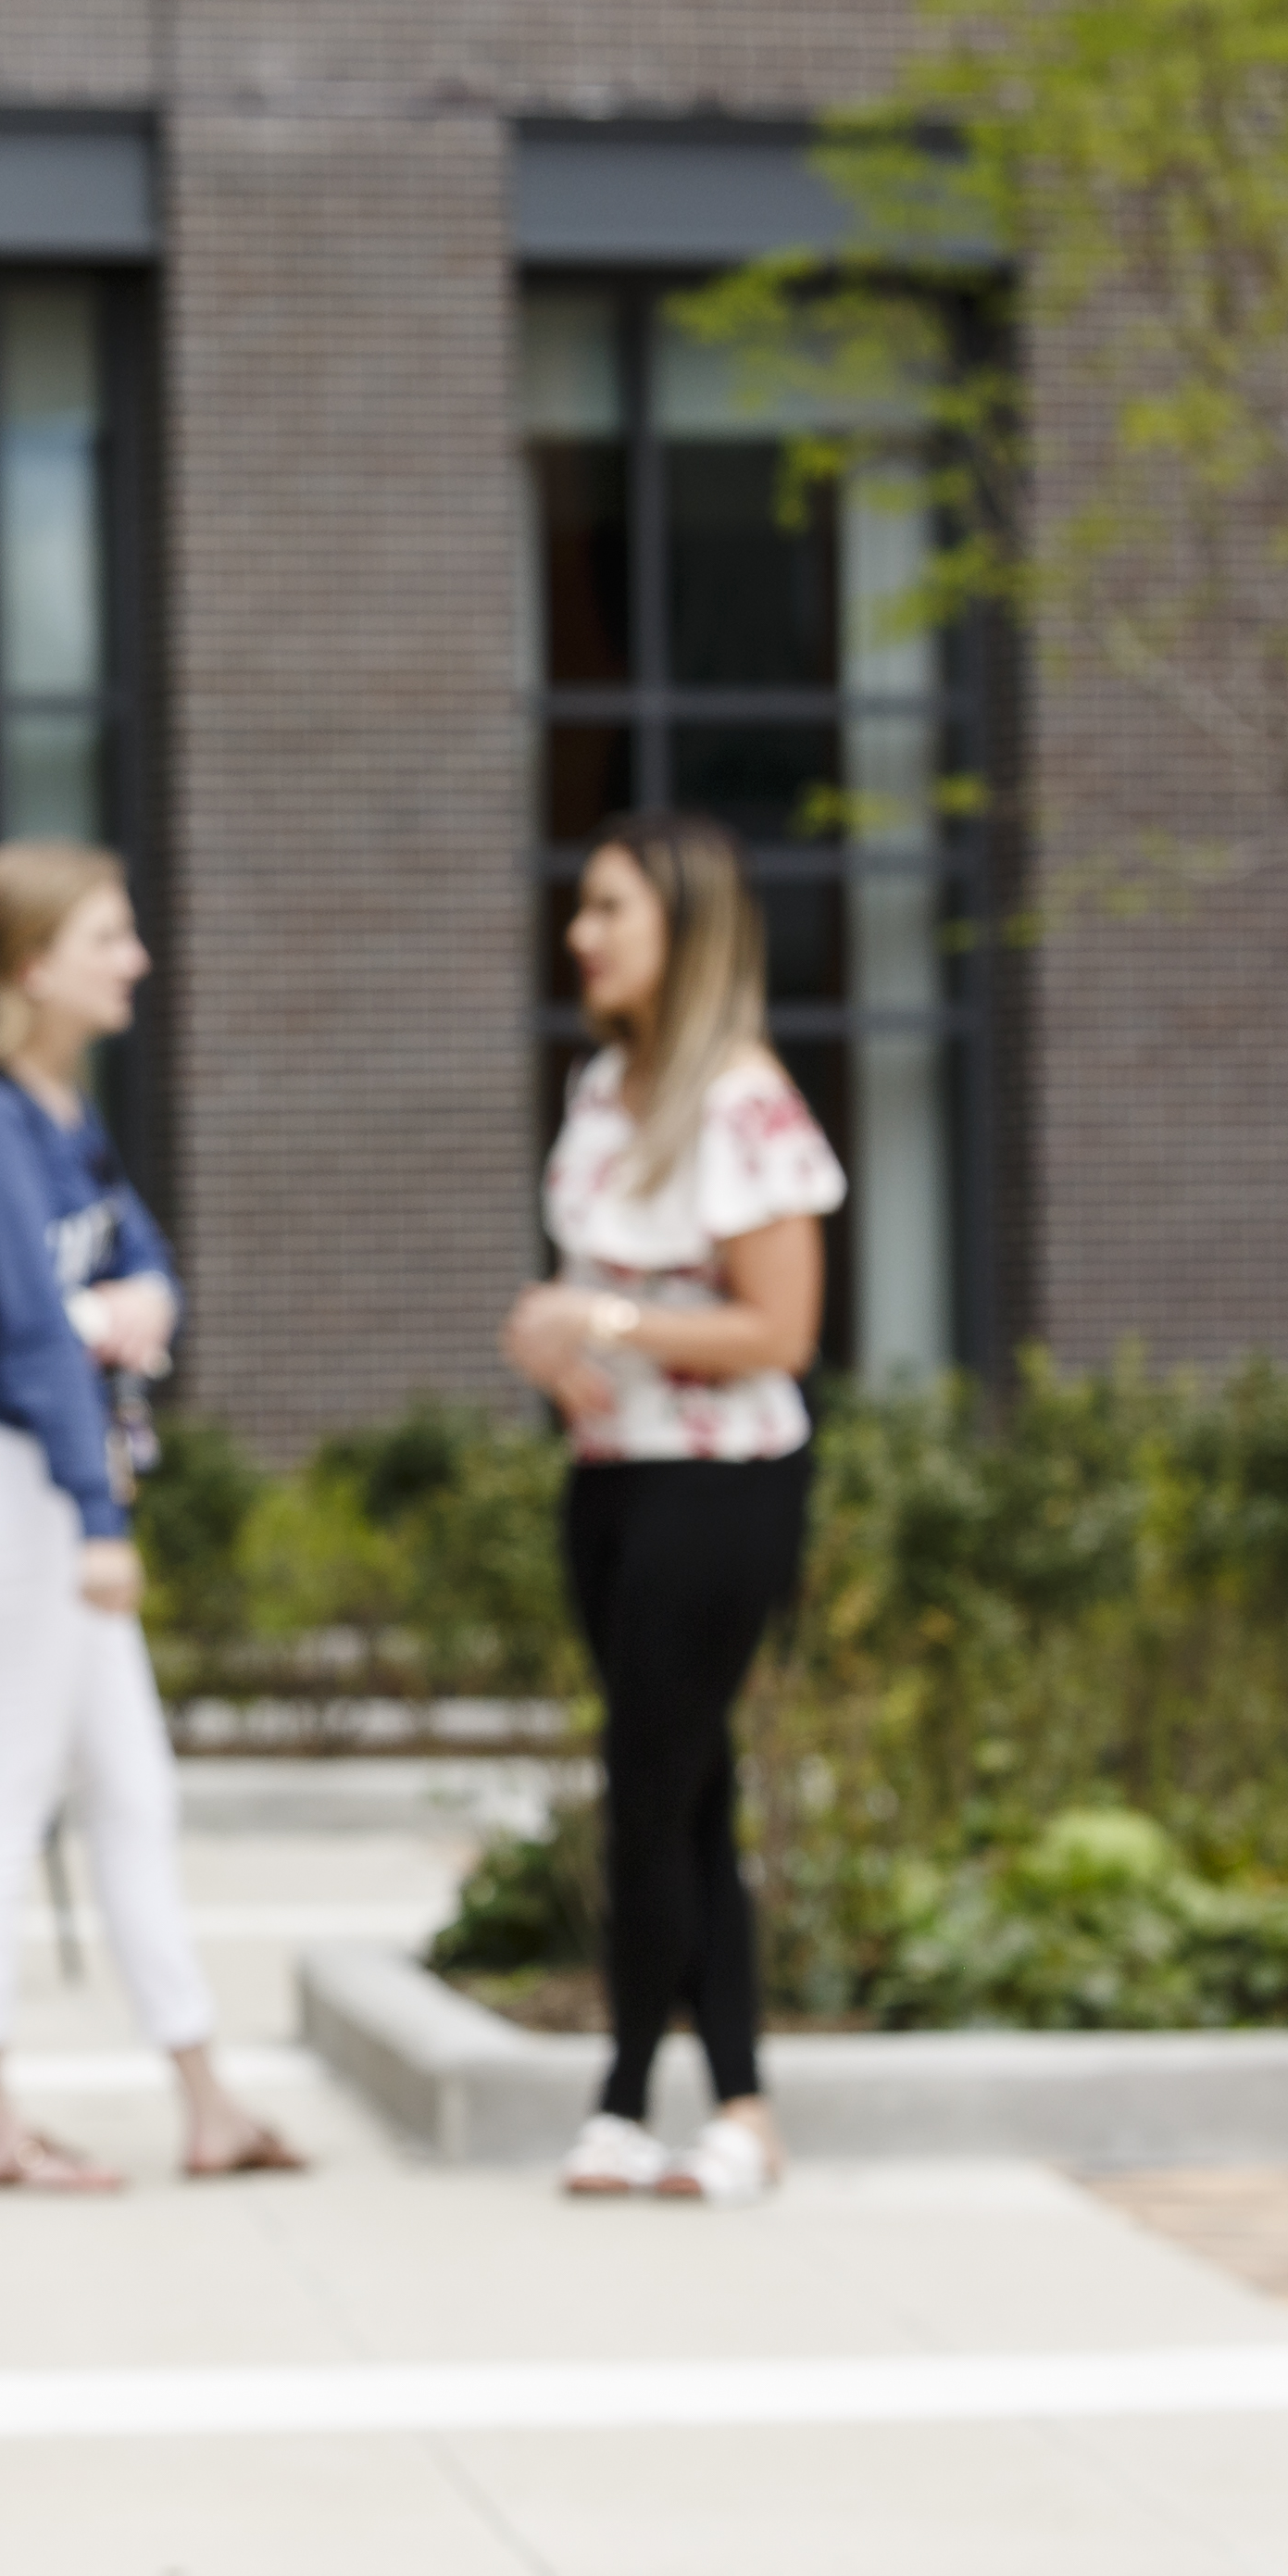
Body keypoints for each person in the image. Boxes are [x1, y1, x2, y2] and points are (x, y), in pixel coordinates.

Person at [0, 843, 298, 2192]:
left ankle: (206, 2097)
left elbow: (146, 1269)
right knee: (8, 1791)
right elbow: (32, 1336)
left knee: (132, 1790)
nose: (138, 961)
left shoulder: (60, 1115)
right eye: (110, 939)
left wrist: (127, 1309)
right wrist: (98, 1513)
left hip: (48, 1482)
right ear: (30, 964)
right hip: (14, 1485)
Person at [499, 812, 842, 2207]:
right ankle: (744, 2108)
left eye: (609, 913)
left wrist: (609, 1319)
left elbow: (780, 1331)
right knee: (687, 1788)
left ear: (683, 932)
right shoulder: (601, 1093)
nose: (580, 936)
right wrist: (567, 1356)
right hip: (614, 1482)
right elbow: (619, 1309)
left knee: (649, 1785)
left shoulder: (744, 1102)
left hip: (728, 1487)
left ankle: (629, 2094)